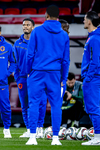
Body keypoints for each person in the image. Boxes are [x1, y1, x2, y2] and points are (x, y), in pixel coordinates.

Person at [26, 5, 70, 145]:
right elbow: (65, 60)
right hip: (55, 75)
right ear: (58, 16)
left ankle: (32, 137)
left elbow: (30, 55)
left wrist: (28, 71)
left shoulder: (37, 31)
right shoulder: (64, 35)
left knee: (33, 103)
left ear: (46, 15)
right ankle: (56, 138)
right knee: (56, 105)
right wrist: (63, 79)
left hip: (37, 73)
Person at [13, 18, 47, 138]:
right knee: (25, 104)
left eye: (28, 25)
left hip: (37, 77)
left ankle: (39, 128)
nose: (25, 27)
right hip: (22, 78)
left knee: (41, 102)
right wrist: (17, 77)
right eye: (23, 25)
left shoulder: (39, 42)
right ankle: (29, 129)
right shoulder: (17, 43)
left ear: (33, 27)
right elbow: (15, 62)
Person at [81, 11, 100, 146]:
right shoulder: (97, 37)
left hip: (92, 78)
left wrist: (88, 76)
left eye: (85, 19)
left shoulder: (95, 39)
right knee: (92, 107)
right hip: (95, 76)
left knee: (93, 107)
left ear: (90, 21)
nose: (83, 21)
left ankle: (98, 137)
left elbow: (95, 61)